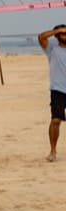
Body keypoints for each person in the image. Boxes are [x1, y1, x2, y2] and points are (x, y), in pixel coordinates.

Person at [41, 23, 66, 162]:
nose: (65, 35)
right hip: (58, 90)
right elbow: (41, 37)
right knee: (56, 120)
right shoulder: (52, 49)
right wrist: (57, 30)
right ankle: (53, 150)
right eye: (63, 33)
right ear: (57, 36)